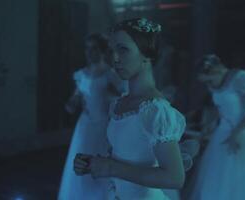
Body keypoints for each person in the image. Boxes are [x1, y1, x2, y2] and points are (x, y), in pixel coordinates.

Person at [74, 18, 187, 200]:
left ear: (146, 54)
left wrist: (110, 168)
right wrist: (94, 163)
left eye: (123, 49)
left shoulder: (155, 109)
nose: (115, 58)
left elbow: (174, 178)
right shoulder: (119, 104)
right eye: (113, 51)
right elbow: (125, 154)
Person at [185, 54, 245, 200]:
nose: (208, 85)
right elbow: (222, 106)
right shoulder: (214, 84)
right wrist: (211, 123)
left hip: (241, 133)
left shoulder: (240, 78)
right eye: (205, 82)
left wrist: (235, 133)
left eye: (209, 80)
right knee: (216, 178)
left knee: (238, 180)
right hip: (222, 132)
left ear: (216, 71)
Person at [58, 33, 127, 199]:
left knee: (100, 163)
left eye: (94, 48)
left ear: (102, 51)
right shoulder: (81, 75)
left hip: (103, 125)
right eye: (87, 48)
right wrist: (71, 103)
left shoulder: (109, 73)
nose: (89, 52)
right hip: (85, 125)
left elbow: (125, 95)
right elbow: (74, 101)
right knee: (81, 164)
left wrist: (112, 100)